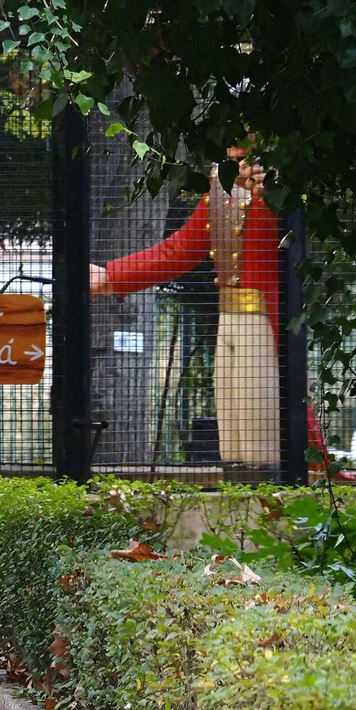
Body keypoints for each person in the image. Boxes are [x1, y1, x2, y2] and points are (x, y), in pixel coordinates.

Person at [90, 146, 279, 469]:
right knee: (232, 440)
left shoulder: (279, 183)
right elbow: (180, 250)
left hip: (262, 319)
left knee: (259, 438)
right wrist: (110, 276)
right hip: (229, 319)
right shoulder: (220, 186)